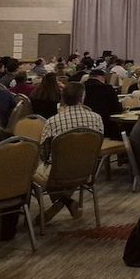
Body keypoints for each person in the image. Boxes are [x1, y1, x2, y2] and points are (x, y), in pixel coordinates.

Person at [38, 82, 105, 220]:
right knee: (66, 168)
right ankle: (66, 201)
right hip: (87, 171)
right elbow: (98, 146)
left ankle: (63, 202)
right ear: (82, 98)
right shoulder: (97, 118)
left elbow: (44, 153)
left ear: (62, 98)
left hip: (58, 173)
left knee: (37, 171)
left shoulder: (53, 121)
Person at [82, 69, 123, 136]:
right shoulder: (107, 88)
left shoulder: (81, 88)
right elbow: (117, 109)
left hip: (85, 126)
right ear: (102, 78)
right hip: (106, 127)